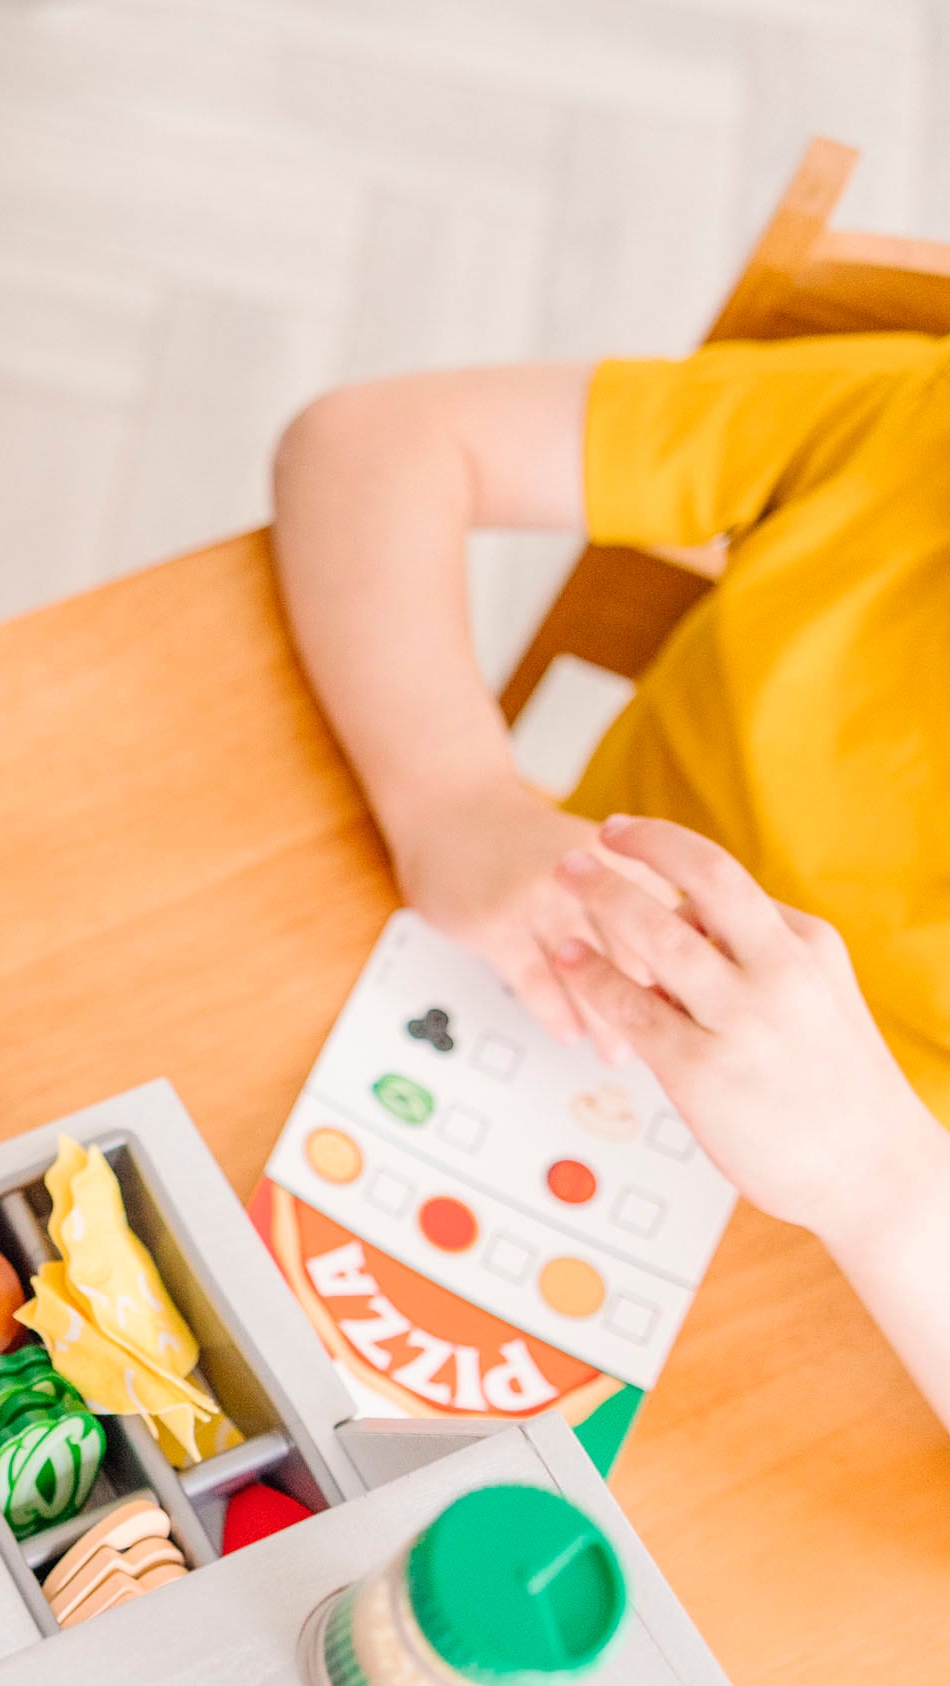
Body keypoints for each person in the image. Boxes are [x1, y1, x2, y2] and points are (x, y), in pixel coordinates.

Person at [269, 341, 950, 1421]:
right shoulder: (916, 418)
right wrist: (455, 796)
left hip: (849, 1299)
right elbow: (366, 443)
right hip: (517, 986)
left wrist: (880, 1180)